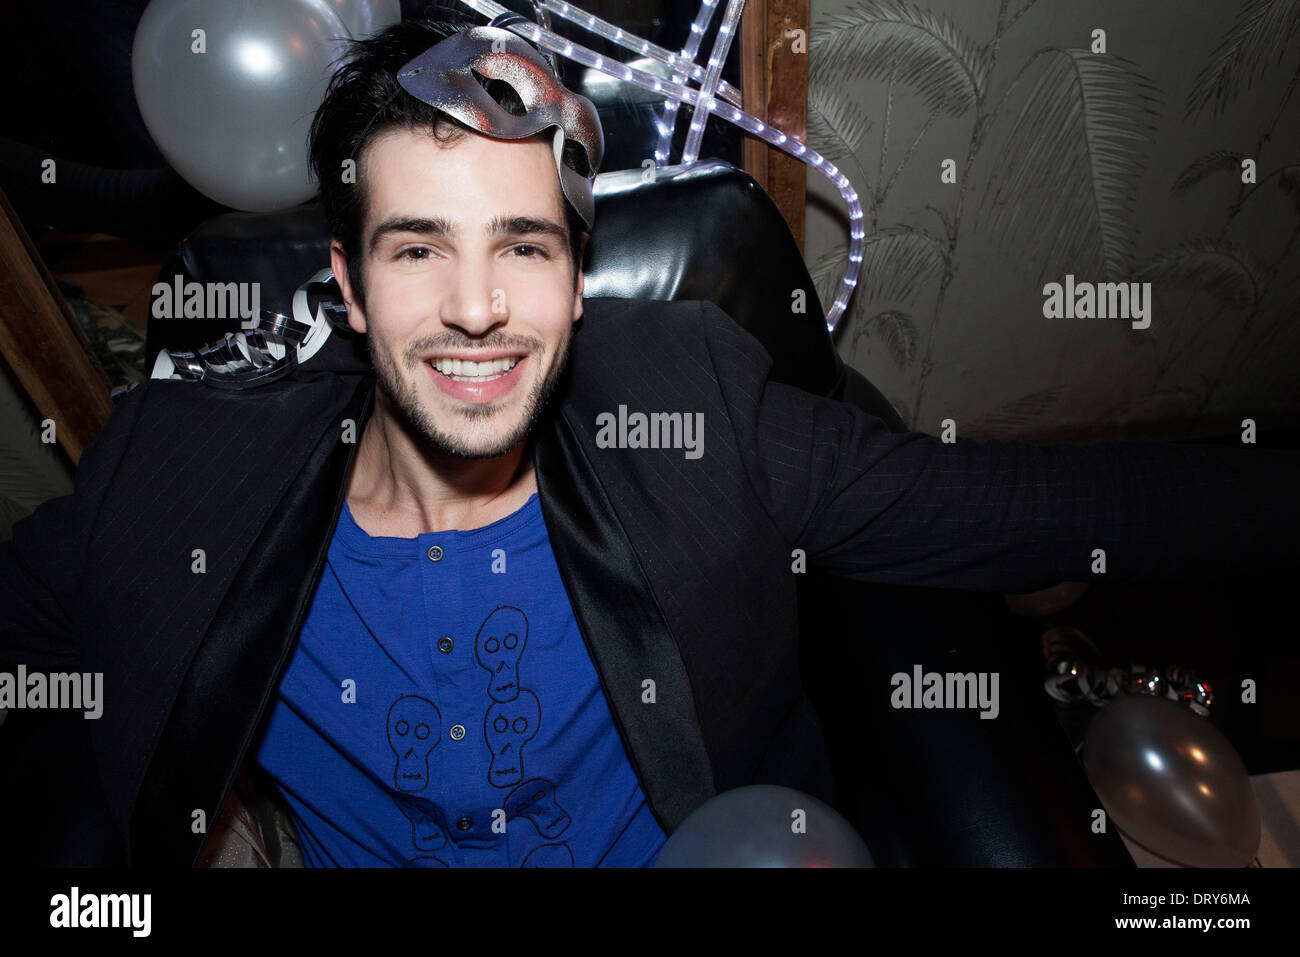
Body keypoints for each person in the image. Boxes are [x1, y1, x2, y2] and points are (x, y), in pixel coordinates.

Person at [1, 17, 1296, 868]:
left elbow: (1020, 499)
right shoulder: (171, 475)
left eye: (521, 243)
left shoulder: (696, 425)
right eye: (418, 249)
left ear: (578, 282)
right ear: (348, 286)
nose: (473, 306)